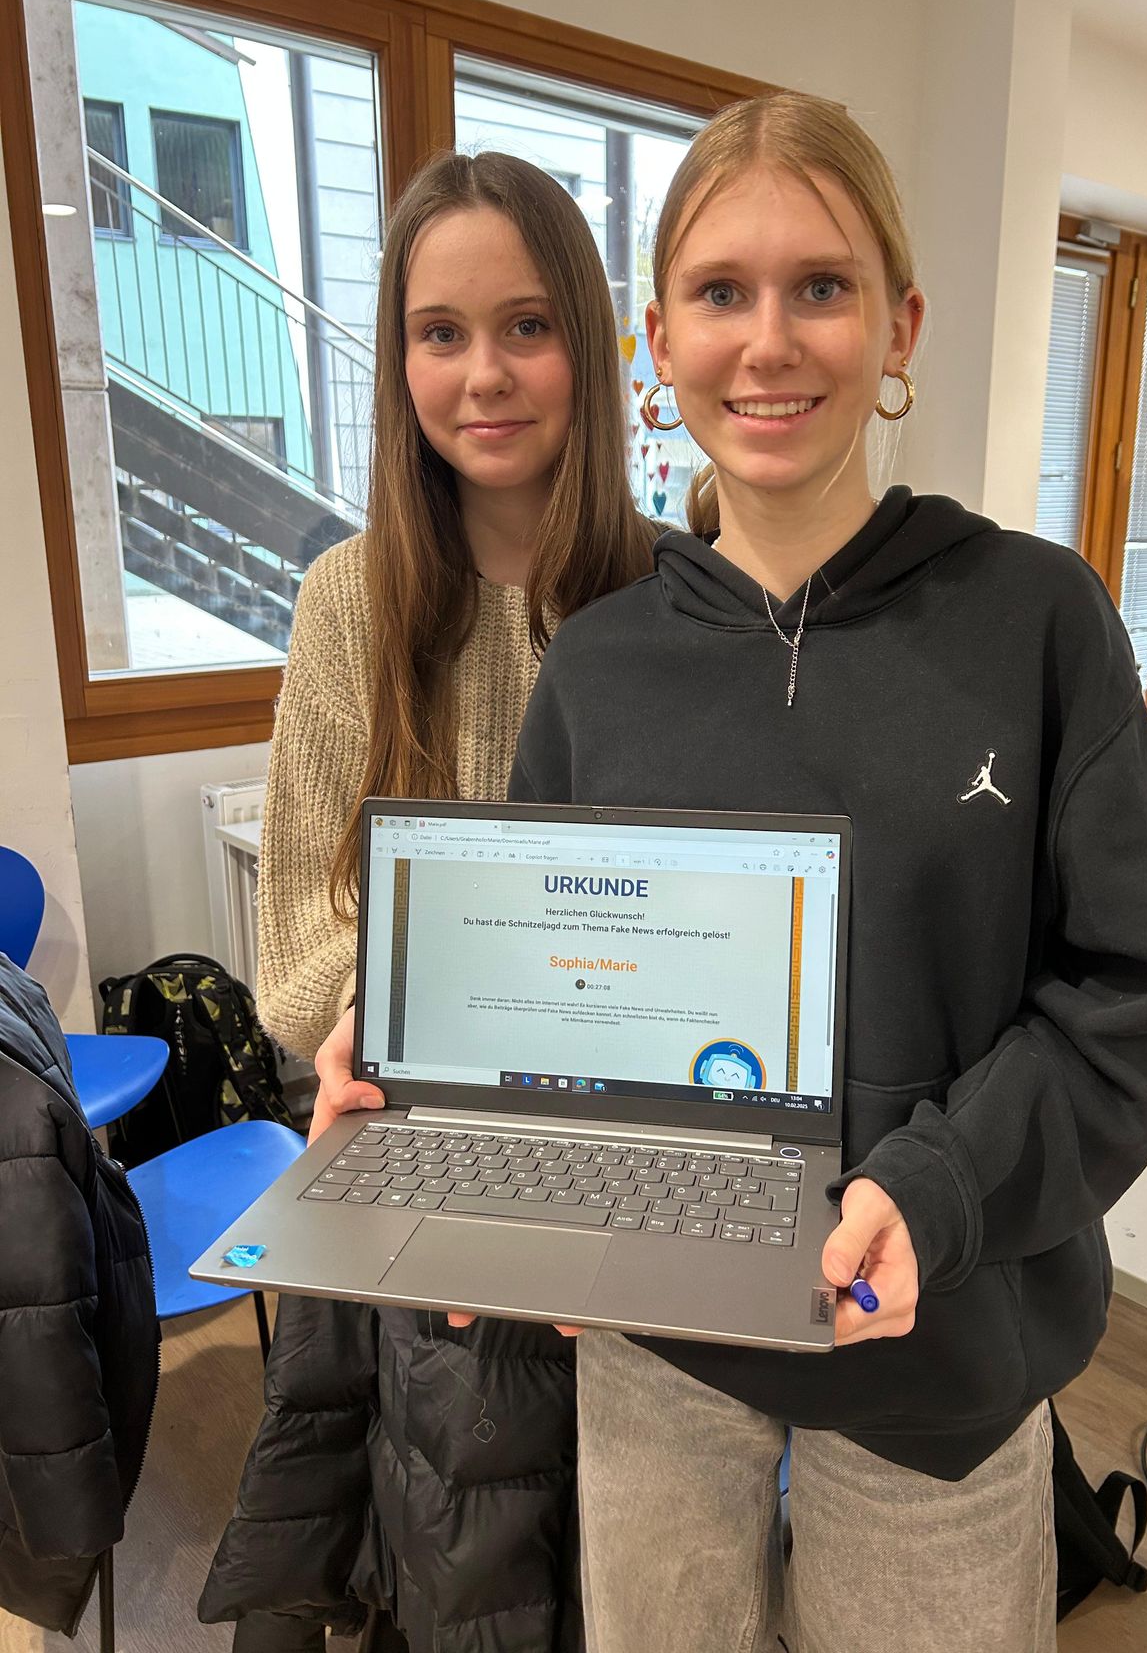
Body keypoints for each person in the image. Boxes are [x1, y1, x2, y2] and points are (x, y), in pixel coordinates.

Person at [491, 92, 1147, 1652]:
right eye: (720, 293)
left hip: (937, 1345)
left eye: (820, 286)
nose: (770, 342)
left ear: (900, 326)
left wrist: (931, 1186)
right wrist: (480, 1152)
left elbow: (1129, 999)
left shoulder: (1037, 620)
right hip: (656, 1342)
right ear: (659, 342)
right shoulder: (597, 666)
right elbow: (552, 1003)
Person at [199, 149, 659, 1652]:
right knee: (452, 1541)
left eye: (525, 326)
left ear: (587, 347)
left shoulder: (678, 593)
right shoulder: (349, 596)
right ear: (395, 357)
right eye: (438, 332)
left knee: (631, 1558)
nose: (483, 375)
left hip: (627, 1168)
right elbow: (301, 946)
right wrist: (403, 1044)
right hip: (411, 1141)